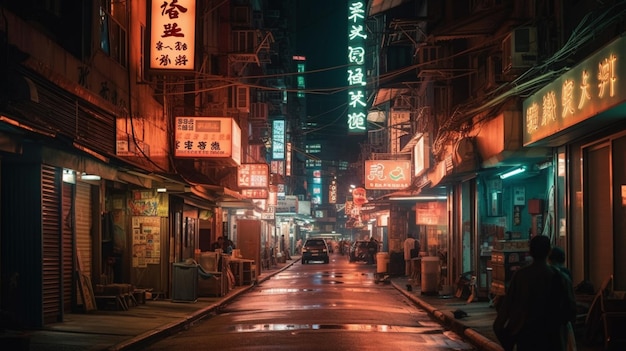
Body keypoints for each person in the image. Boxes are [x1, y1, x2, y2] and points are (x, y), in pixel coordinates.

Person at [493, 235, 577, 351]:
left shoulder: (521, 276)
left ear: (530, 252)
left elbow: (503, 313)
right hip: (553, 340)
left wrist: (508, 341)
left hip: (526, 339)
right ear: (549, 251)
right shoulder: (561, 278)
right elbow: (571, 311)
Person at [549, 246, 577, 351]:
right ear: (563, 259)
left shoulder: (546, 273)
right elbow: (570, 299)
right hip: (562, 318)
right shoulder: (566, 273)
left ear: (549, 259)